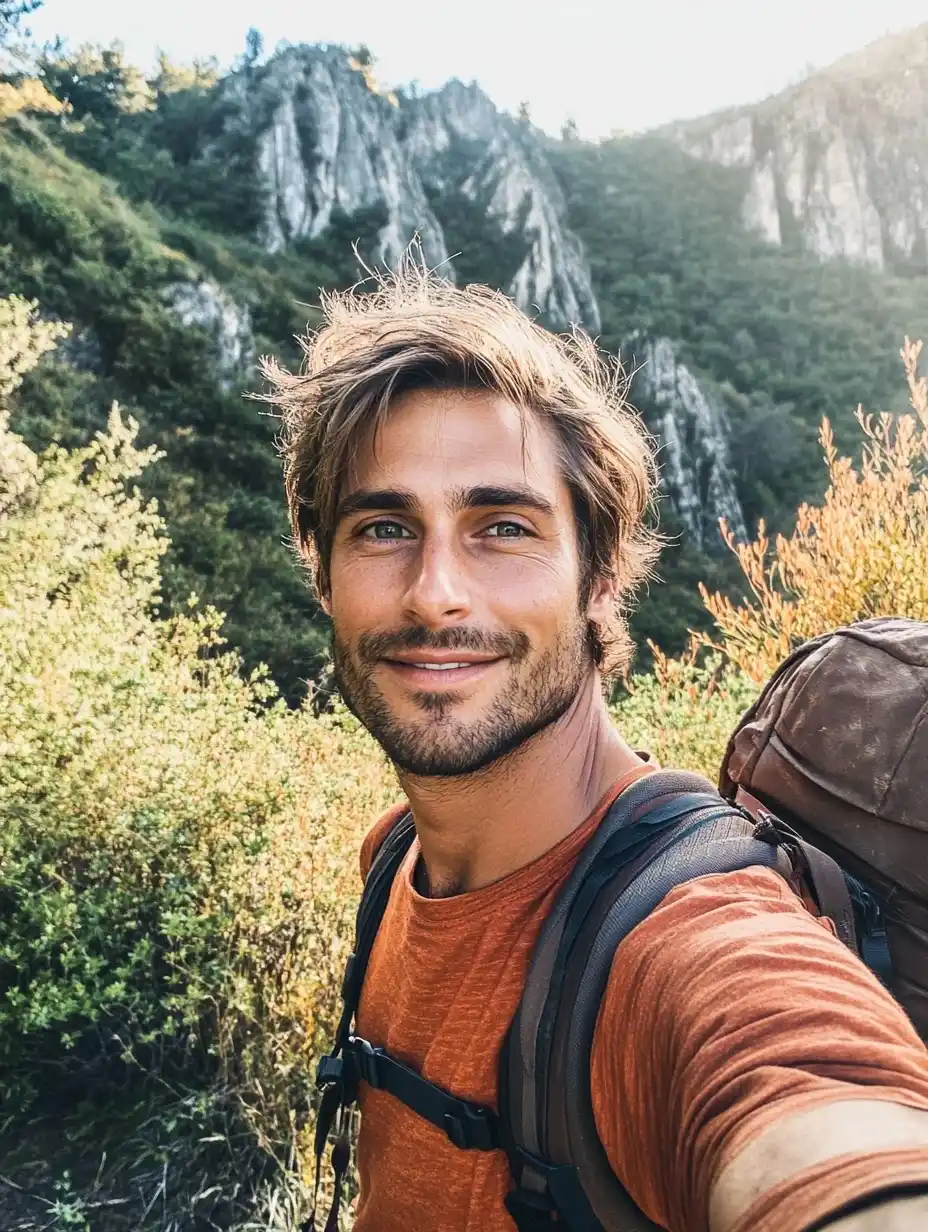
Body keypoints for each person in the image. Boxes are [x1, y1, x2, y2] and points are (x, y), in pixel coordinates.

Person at [263, 264, 928, 1232]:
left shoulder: (689, 944)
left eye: (502, 526)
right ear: (320, 570)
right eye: (382, 526)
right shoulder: (395, 854)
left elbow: (811, 1103)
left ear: (600, 577)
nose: (435, 591)